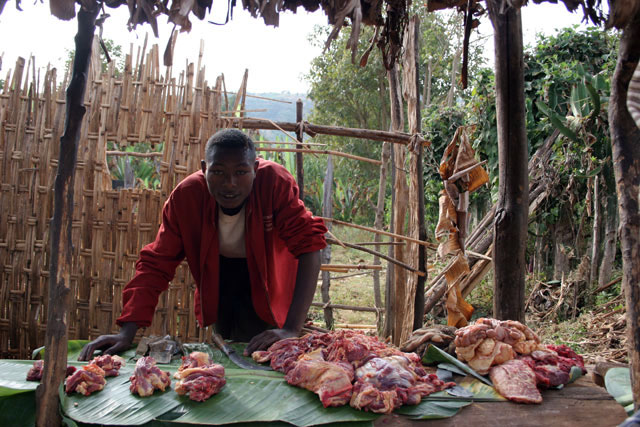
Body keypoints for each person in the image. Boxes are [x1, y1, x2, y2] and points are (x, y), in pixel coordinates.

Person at [79, 129, 327, 360]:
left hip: (268, 280)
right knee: (229, 351)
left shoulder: (274, 183)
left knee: (270, 351)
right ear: (203, 168)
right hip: (218, 278)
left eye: (241, 172)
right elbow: (157, 264)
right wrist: (127, 331)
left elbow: (310, 246)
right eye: (218, 172)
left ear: (255, 167)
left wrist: (292, 328)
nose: (230, 183)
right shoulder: (187, 197)